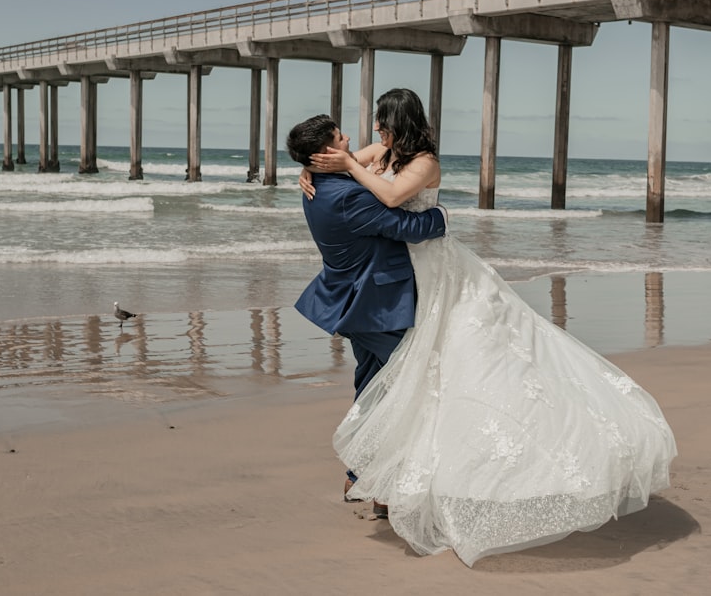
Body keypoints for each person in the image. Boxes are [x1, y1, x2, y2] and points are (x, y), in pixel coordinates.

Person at [300, 88, 678, 567]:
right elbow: (348, 162)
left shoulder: (425, 164)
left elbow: (393, 194)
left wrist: (347, 168)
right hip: (405, 274)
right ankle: (380, 476)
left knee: (444, 365)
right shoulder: (384, 152)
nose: (374, 131)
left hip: (432, 268)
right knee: (403, 371)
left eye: (381, 122)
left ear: (400, 123)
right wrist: (310, 169)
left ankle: (394, 477)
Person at [286, 114, 448, 511]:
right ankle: (381, 487)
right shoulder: (349, 195)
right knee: (407, 386)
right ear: (328, 151)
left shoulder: (319, 185)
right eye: (342, 138)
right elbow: (409, 227)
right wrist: (441, 216)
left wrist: (308, 168)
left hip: (354, 305)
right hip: (374, 306)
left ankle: (362, 479)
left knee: (373, 387)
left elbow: (361, 163)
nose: (351, 142)